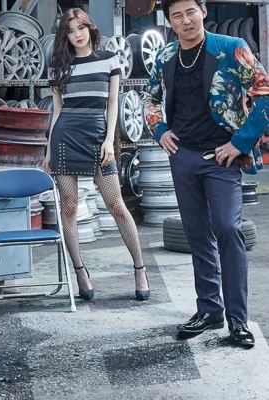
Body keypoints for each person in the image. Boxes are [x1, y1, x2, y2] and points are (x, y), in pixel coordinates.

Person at [144, 0, 269, 348]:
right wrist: (159, 130)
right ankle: (209, 310)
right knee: (196, 234)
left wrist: (239, 143)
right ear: (170, 21)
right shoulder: (166, 55)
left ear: (202, 11)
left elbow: (264, 92)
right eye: (177, 16)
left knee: (228, 228)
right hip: (183, 156)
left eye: (190, 12)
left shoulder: (231, 48)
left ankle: (238, 319)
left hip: (222, 157)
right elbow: (149, 98)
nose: (185, 20)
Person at [43, 8, 150, 303]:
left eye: (81, 28)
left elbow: (113, 103)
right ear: (65, 36)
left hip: (98, 135)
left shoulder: (109, 59)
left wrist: (109, 142)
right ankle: (80, 272)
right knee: (69, 206)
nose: (77, 34)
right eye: (70, 31)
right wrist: (49, 150)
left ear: (90, 28)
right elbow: (57, 111)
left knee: (117, 206)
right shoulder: (58, 67)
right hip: (66, 135)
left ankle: (140, 269)